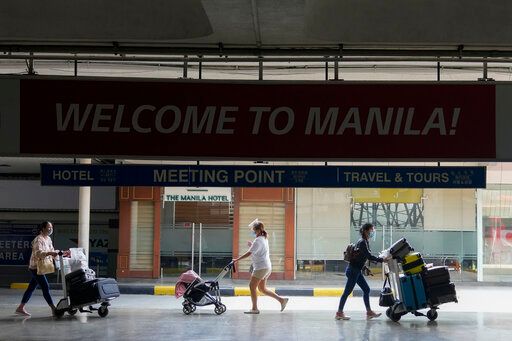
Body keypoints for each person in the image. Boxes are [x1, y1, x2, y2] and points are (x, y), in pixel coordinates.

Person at [233, 218, 289, 314]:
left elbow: (249, 253)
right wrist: (252, 245)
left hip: (261, 267)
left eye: (254, 230)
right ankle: (282, 300)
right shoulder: (264, 238)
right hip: (266, 266)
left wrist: (237, 260)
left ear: (258, 230)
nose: (253, 232)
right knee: (262, 289)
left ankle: (254, 309)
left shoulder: (258, 240)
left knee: (252, 286)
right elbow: (257, 250)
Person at [335, 223, 386, 321]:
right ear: (366, 231)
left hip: (356, 270)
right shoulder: (362, 242)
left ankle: (369, 312)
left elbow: (359, 257)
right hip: (353, 271)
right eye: (371, 230)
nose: (373, 232)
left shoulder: (364, 241)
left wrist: (364, 267)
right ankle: (339, 313)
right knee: (347, 292)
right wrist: (382, 260)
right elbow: (368, 256)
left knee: (366, 289)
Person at [15, 221, 67, 317]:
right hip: (35, 267)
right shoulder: (38, 239)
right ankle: (53, 309)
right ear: (43, 228)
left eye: (51, 227)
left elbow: (51, 250)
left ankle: (20, 308)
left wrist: (61, 253)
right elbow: (38, 253)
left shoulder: (48, 239)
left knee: (31, 288)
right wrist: (50, 253)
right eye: (48, 227)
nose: (50, 229)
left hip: (41, 267)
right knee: (45, 287)